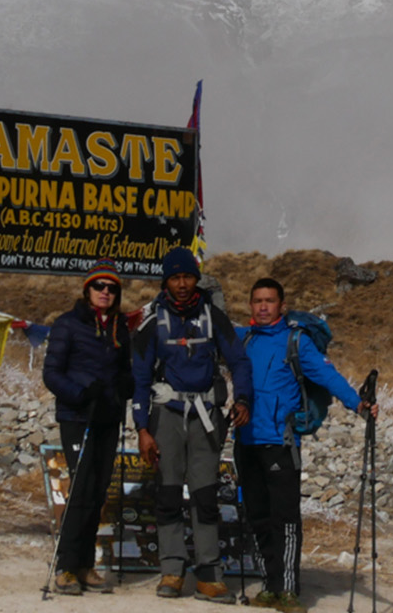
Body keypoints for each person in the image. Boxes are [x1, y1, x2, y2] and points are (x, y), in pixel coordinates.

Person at [235, 278, 368, 612]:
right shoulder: (244, 340)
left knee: (286, 519)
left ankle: (290, 592)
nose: (263, 307)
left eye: (269, 301)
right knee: (258, 518)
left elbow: (329, 377)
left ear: (281, 305)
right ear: (250, 305)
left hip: (281, 444)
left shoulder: (297, 342)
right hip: (246, 442)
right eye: (257, 301)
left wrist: (359, 404)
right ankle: (269, 586)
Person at [133, 246, 253, 602]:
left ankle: (210, 575)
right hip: (165, 417)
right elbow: (139, 379)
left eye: (188, 276)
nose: (182, 284)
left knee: (205, 496)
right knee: (168, 494)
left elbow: (240, 362)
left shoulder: (214, 318)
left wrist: (243, 398)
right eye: (175, 277)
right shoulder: (152, 322)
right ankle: (171, 571)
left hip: (206, 417)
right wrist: (142, 428)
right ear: (165, 281)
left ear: (196, 279)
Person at [42, 261, 134, 596]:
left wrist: (127, 383)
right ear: (87, 290)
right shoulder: (68, 325)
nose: (105, 292)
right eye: (100, 287)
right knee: (81, 489)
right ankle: (66, 567)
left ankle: (84, 565)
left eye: (112, 288)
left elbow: (125, 367)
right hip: (79, 416)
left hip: (109, 417)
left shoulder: (119, 327)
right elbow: (51, 373)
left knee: (98, 491)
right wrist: (80, 394)